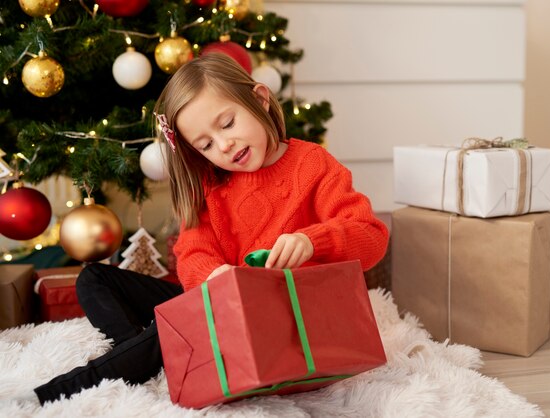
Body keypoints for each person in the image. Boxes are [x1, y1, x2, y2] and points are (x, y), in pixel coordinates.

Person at [30, 53, 389, 405]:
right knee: (94, 279)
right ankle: (144, 351)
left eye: (228, 123)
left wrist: (310, 241)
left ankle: (60, 391)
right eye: (205, 145)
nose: (224, 145)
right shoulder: (211, 185)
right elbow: (192, 253)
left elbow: (370, 236)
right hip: (223, 312)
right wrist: (214, 274)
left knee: (174, 330)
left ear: (260, 100)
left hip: (288, 320)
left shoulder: (312, 163)